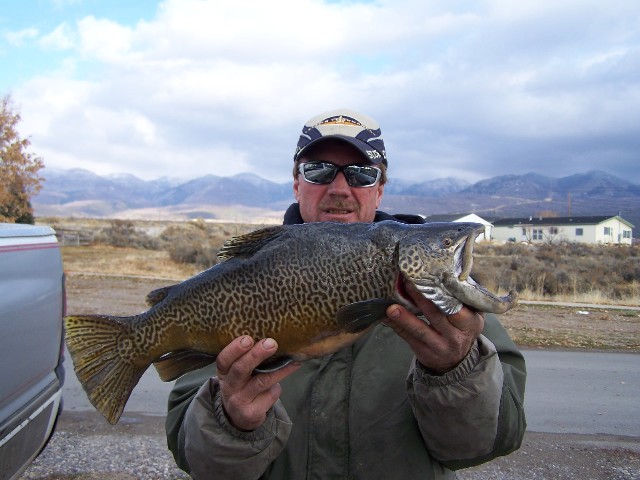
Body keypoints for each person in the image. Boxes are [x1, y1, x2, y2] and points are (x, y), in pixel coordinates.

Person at [166, 109, 527, 479]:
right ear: (296, 183)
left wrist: (457, 373)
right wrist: (231, 422)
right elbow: (191, 455)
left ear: (380, 189)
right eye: (319, 170)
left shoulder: (455, 312)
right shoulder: (235, 285)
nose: (340, 189)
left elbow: (492, 441)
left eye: (362, 174)